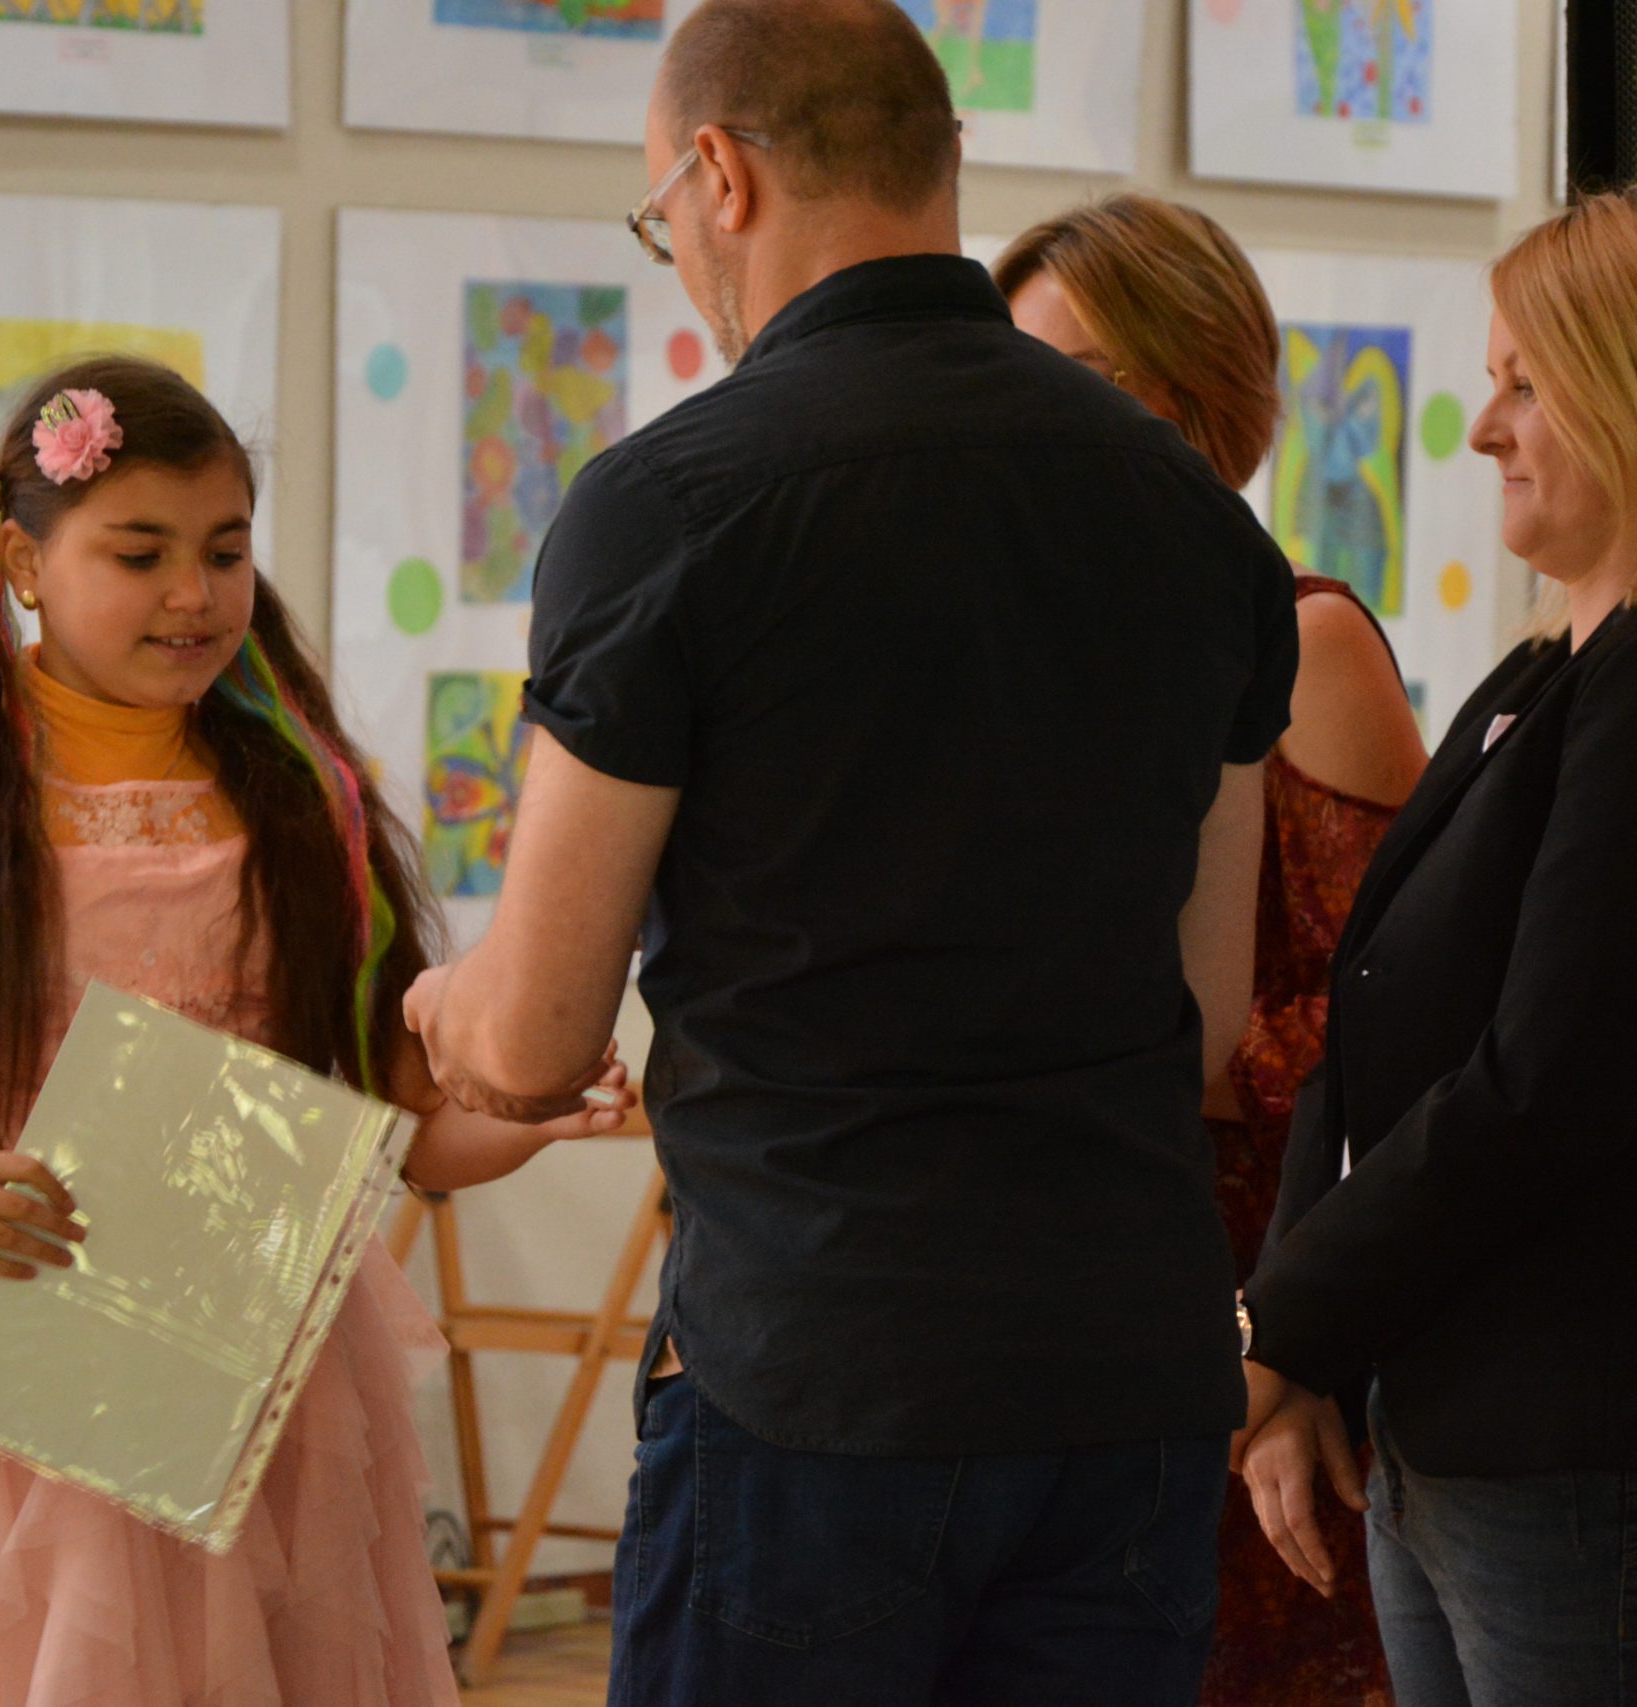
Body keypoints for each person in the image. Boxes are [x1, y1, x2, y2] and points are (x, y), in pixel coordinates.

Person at [399, 3, 1300, 1703]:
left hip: (819, 1369)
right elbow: (1209, 1018)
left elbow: (531, 1041)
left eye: (663, 220)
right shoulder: (1195, 519)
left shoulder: (670, 507)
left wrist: (443, 1010)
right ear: (943, 162)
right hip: (1124, 1376)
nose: (680, 255)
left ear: (719, 176)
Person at [0, 357, 634, 1705]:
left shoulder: (302, 796)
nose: (195, 594)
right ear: (24, 563)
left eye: (225, 552)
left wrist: (528, 1105)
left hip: (251, 1373)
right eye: (140, 553)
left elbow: (402, 1129)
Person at [1232, 185, 1637, 1707]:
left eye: (1526, 384)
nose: (1484, 429)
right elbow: (1365, 1036)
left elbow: (1543, 1086)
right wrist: (1306, 1359)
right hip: (1446, 1432)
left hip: (1585, 1446)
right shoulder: (1545, 674)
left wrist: (1278, 1327)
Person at [995, 193, 1425, 1707]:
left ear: (1196, 396)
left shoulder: (1307, 642)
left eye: (1076, 379)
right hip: (1079, 1301)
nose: (1026, 421)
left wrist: (1167, 1055)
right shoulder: (1035, 656)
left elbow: (1405, 1023)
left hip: (1263, 1304)